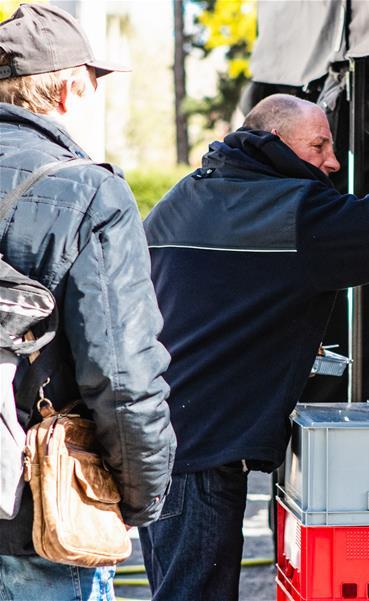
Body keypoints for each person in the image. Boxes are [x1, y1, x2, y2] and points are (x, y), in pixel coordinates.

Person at [139, 93, 369, 600]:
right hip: (199, 448)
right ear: (275, 144)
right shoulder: (288, 211)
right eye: (319, 145)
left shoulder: (183, 197)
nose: (333, 161)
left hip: (155, 434)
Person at [0, 4, 175, 600]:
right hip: (37, 514)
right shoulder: (88, 190)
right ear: (71, 87)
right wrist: (139, 495)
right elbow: (122, 374)